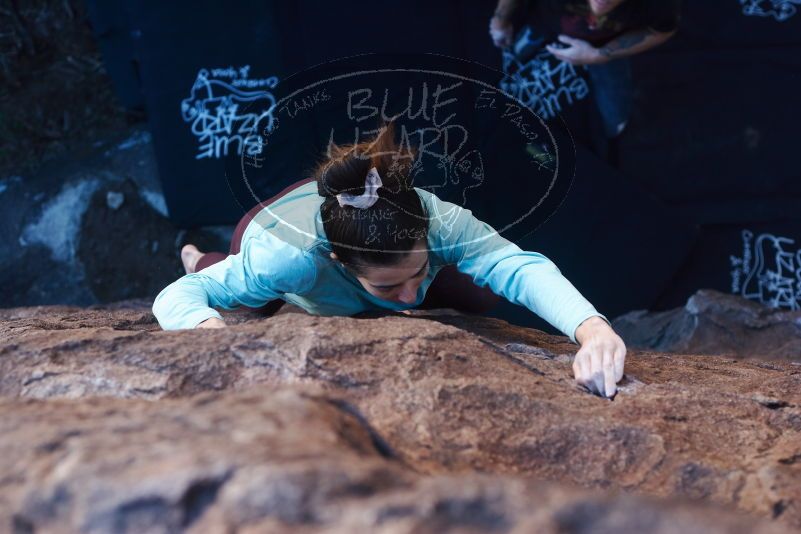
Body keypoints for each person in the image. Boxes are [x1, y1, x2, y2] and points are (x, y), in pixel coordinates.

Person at [152, 125, 627, 398]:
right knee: (252, 304)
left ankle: (402, 278)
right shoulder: (287, 259)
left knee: (480, 293)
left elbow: (518, 266)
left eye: (417, 274)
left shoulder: (438, 221)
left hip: (349, 224)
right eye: (390, 288)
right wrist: (208, 334)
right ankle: (198, 255)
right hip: (271, 223)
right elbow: (178, 298)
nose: (409, 299)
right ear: (338, 261)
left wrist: (593, 329)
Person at [490, 0, 681, 137]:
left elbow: (662, 30)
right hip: (544, 21)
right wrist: (501, 20)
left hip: (605, 44)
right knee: (508, 48)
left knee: (615, 123)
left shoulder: (660, 5)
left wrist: (600, 55)